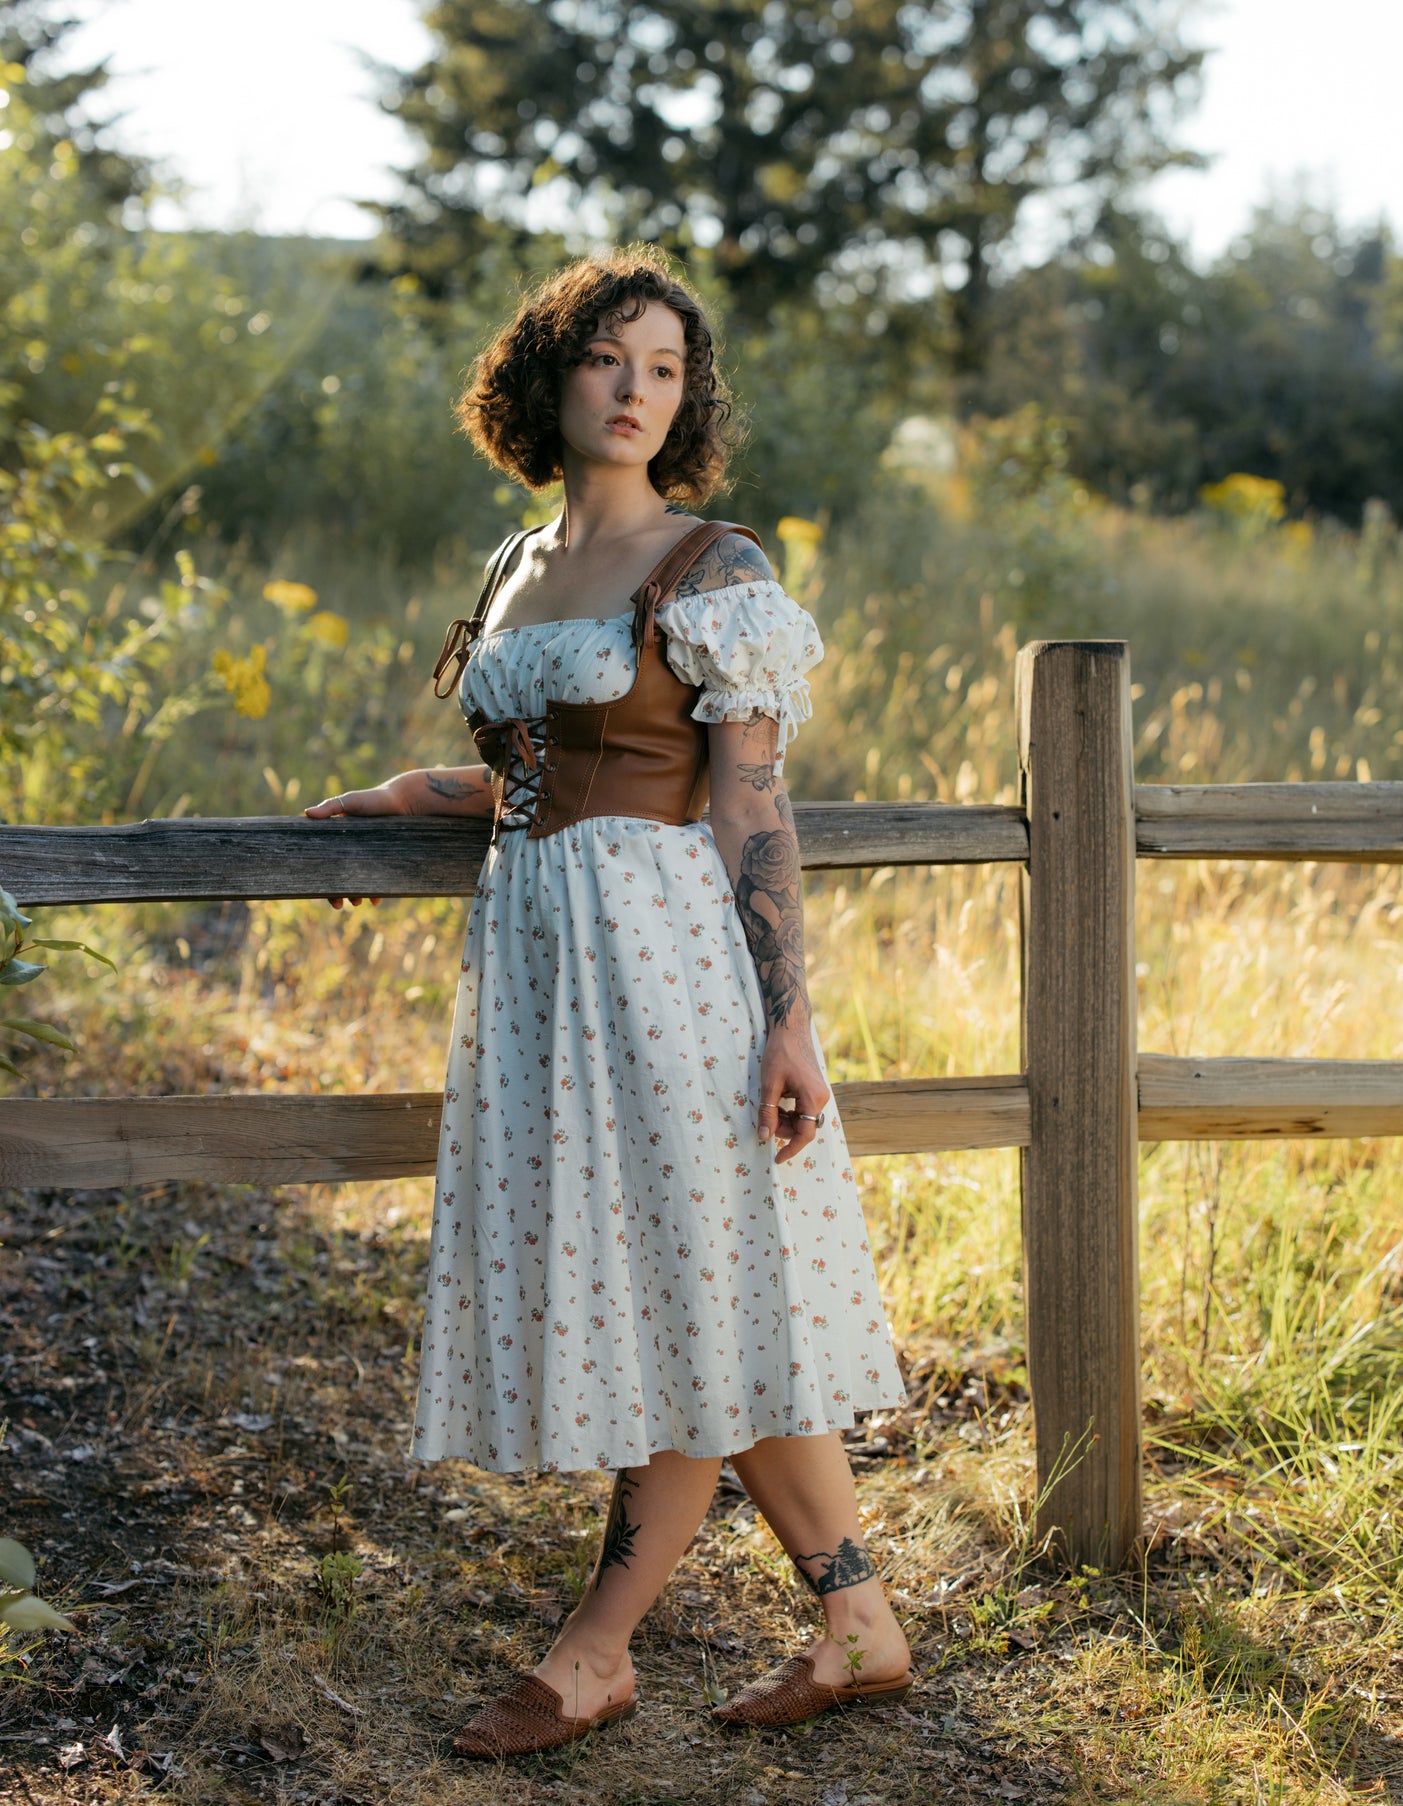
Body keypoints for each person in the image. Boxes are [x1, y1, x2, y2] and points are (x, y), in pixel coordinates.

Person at [304, 249, 910, 1758]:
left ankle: (591, 1654)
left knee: (679, 1287)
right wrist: (401, 793)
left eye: (662, 368)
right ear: (547, 375)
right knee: (700, 1288)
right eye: (606, 359)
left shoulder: (715, 568)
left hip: (664, 952)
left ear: (684, 399)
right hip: (536, 951)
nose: (635, 389)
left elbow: (748, 801)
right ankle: (856, 1617)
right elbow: (530, 768)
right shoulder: (516, 562)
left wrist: (786, 1017)